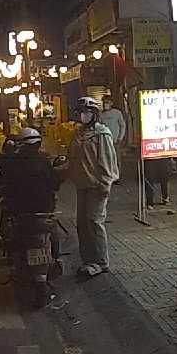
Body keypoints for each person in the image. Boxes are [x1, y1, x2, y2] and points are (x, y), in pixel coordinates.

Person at [62, 96, 119, 278]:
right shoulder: (77, 133)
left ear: (94, 114)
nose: (83, 116)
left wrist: (106, 184)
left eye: (87, 112)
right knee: (82, 224)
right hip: (81, 185)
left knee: (94, 222)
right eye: (81, 112)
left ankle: (101, 262)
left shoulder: (102, 134)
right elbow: (71, 158)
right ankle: (88, 260)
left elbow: (108, 161)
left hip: (97, 186)